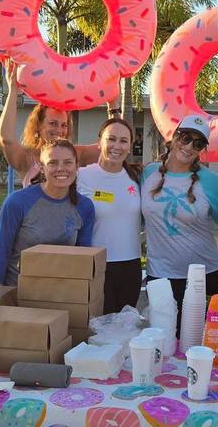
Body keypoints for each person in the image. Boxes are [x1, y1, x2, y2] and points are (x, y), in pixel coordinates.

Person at [141, 115, 218, 307]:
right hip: (159, 276)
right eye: (185, 138)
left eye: (198, 144)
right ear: (174, 136)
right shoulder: (149, 173)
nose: (189, 147)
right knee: (162, 326)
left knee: (197, 327)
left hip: (204, 276)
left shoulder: (212, 181)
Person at [0, 139, 96, 286]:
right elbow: (0, 252)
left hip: (62, 292)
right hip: (17, 291)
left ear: (77, 166)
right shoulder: (17, 201)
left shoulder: (84, 206)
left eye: (68, 163)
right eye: (53, 163)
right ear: (41, 167)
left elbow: (82, 259)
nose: (61, 168)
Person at [0, 60, 100, 187]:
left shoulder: (76, 155)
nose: (59, 130)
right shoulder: (27, 159)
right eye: (53, 123)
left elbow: (112, 146)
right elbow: (6, 139)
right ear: (38, 126)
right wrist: (13, 90)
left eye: (64, 125)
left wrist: (113, 108)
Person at [77, 118, 143, 313]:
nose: (117, 146)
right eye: (111, 139)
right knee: (99, 326)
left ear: (129, 147)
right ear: (99, 142)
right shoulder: (81, 175)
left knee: (125, 325)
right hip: (96, 265)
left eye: (123, 141)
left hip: (131, 266)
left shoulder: (137, 177)